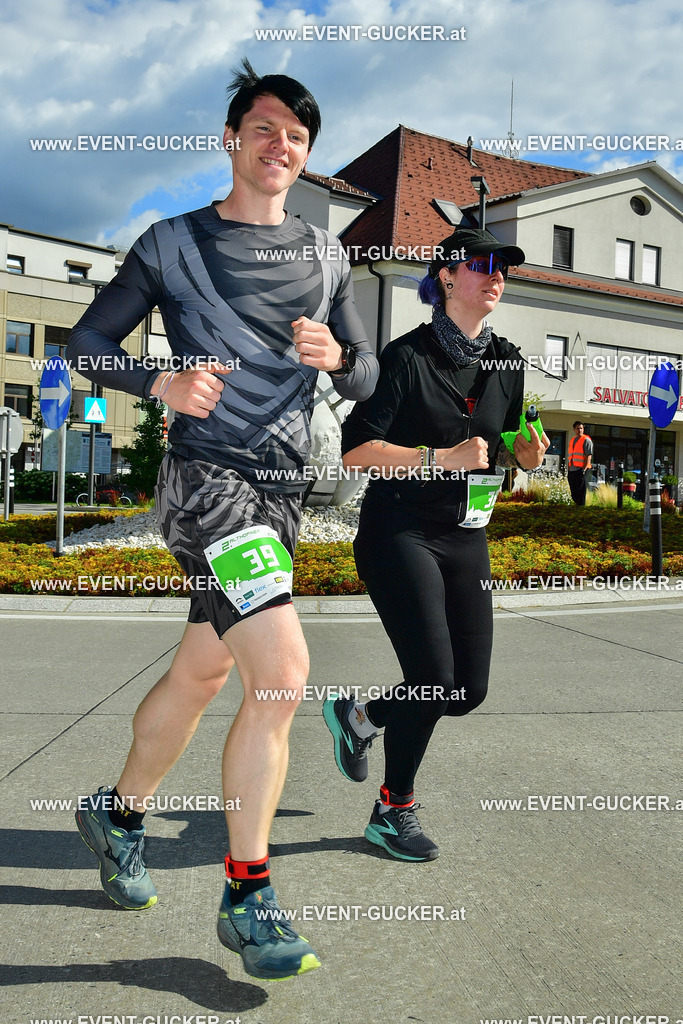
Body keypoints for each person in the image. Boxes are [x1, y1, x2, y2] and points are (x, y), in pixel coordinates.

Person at [67, 58, 378, 980]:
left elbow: (365, 377)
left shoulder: (328, 256)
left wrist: (338, 356)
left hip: (280, 492)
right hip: (208, 485)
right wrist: (156, 379)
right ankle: (249, 894)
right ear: (233, 139)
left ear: (304, 155)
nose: (280, 144)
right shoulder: (170, 244)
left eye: (297, 135)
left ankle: (118, 815)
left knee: (206, 672)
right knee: (281, 673)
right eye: (265, 127)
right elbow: (87, 344)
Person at [323, 226, 549, 861]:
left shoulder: (508, 360)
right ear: (446, 277)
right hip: (400, 531)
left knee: (465, 690)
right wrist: (438, 458)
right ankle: (394, 810)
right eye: (481, 265)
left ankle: (362, 718)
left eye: (502, 268)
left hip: (466, 536)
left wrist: (524, 452)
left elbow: (510, 437)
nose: (495, 275)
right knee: (430, 678)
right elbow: (355, 449)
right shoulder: (406, 358)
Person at [567, 421, 593, 505]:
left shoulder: (586, 440)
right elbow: (571, 455)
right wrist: (569, 468)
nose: (580, 430)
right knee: (573, 492)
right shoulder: (572, 440)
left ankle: (581, 508)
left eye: (581, 428)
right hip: (572, 469)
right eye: (577, 428)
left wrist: (584, 470)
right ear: (574, 429)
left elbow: (588, 456)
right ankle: (576, 506)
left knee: (581, 492)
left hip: (581, 469)